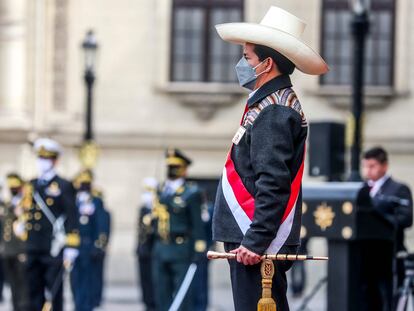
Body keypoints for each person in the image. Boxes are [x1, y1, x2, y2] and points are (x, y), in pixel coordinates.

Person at [212, 6, 328, 311]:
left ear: (267, 64)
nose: (242, 64)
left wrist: (255, 239)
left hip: (257, 238)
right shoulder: (267, 103)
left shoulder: (275, 109)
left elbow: (272, 181)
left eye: (248, 58)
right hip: (253, 233)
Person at [23, 138, 80, 311]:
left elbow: (72, 215)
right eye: (40, 158)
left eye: (46, 158)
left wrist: (71, 245)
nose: (42, 162)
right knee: (33, 290)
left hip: (52, 247)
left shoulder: (64, 185)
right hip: (33, 246)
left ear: (55, 160)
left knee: (54, 292)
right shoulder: (31, 184)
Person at [151, 148, 207, 311]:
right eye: (170, 167)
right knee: (161, 293)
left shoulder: (191, 193)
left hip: (181, 248)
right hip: (161, 247)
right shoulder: (160, 191)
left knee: (183, 295)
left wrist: (199, 247)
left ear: (184, 170)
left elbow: (197, 223)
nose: (172, 171)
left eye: (176, 167)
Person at [361, 146, 413, 310]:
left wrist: (379, 214)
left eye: (373, 166)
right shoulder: (360, 189)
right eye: (366, 166)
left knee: (389, 299)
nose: (368, 171)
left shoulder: (398, 189)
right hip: (365, 255)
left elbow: (406, 219)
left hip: (389, 255)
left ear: (384, 166)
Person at [70, 169, 107, 311]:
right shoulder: (74, 200)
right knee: (75, 280)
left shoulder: (96, 201)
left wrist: (98, 245)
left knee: (87, 279)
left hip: (88, 244)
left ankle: (86, 307)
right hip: (74, 245)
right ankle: (77, 305)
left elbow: (101, 224)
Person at [0, 173, 29, 311]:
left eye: (15, 187)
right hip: (8, 251)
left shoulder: (25, 206)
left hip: (21, 251)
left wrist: (20, 213)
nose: (13, 190)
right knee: (12, 285)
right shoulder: (7, 205)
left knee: (22, 285)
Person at [136, 177, 158, 311]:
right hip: (143, 251)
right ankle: (147, 304)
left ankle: (153, 305)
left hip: (153, 251)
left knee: (154, 281)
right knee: (144, 281)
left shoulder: (158, 210)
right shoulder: (143, 209)